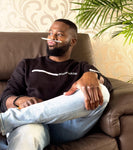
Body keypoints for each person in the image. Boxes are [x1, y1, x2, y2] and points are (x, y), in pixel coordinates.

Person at [0, 19, 112, 150]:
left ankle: (4, 121)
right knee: (28, 134)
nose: (52, 37)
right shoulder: (28, 65)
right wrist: (20, 100)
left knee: (102, 91)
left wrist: (92, 75)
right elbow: (5, 97)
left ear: (73, 41)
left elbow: (108, 87)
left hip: (67, 126)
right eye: (50, 33)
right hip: (32, 123)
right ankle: (11, 120)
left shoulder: (82, 67)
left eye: (59, 34)